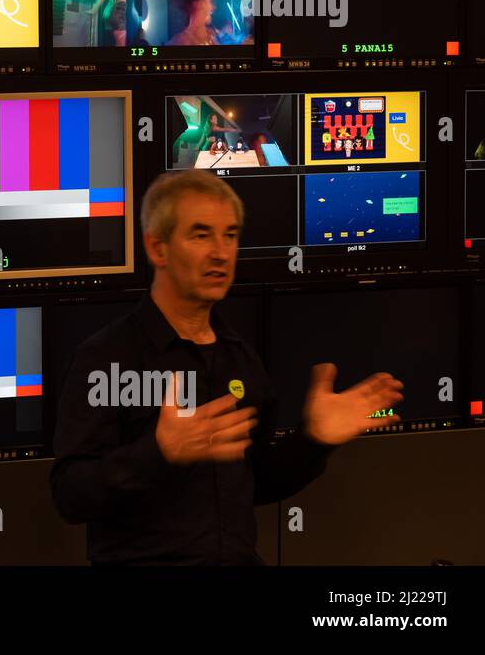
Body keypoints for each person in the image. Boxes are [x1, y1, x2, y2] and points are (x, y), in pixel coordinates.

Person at [50, 169, 403, 565]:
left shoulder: (241, 358)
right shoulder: (107, 359)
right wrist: (159, 452)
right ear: (157, 248)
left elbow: (255, 482)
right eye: (201, 235)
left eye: (230, 235)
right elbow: (70, 495)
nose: (220, 252)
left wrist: (314, 440)